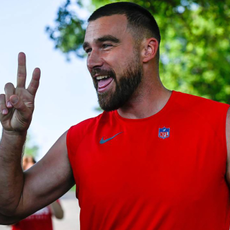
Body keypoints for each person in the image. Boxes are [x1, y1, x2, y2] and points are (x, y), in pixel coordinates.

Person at [0, 2, 230, 229]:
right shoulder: (79, 139)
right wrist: (13, 134)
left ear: (147, 50)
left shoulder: (220, 123)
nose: (91, 62)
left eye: (106, 46)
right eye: (88, 50)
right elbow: (7, 209)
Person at [11, 156, 64, 230]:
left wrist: (48, 194)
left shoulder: (47, 191)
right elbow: (10, 222)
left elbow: (60, 215)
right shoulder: (17, 194)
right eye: (28, 173)